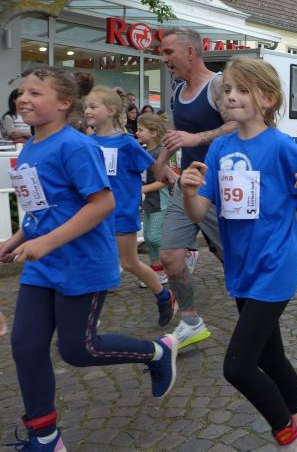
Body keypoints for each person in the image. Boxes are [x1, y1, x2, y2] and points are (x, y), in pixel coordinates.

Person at [5, 67, 177, 451]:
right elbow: (39, 208)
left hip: (81, 264)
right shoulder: (31, 147)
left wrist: (46, 242)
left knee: (79, 350)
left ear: (64, 103)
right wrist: (15, 239)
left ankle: (157, 351)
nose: (23, 98)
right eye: (22, 92)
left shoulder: (75, 146)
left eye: (35, 92)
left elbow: (103, 204)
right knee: (26, 345)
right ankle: (45, 437)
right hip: (42, 267)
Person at [180, 57, 297, 451]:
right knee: (270, 356)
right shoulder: (219, 148)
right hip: (241, 266)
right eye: (228, 89)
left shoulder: (281, 146)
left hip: (275, 265)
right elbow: (199, 212)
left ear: (268, 98)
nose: (231, 96)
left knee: (238, 366)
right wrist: (188, 191)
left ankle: (288, 434)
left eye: (242, 90)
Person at [153, 27, 235, 349]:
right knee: (170, 255)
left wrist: (197, 138)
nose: (163, 59)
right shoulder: (177, 90)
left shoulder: (217, 86)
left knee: (234, 257)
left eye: (168, 52)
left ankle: (257, 309)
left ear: (190, 52)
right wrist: (162, 160)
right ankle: (190, 320)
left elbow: (235, 124)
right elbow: (176, 132)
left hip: (219, 187)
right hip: (187, 184)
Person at [85, 86, 175, 327]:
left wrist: (169, 174)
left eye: (93, 106)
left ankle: (164, 296)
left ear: (111, 110)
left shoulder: (127, 144)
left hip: (121, 212)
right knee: (96, 262)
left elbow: (155, 166)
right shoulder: (86, 143)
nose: (87, 111)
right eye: (86, 107)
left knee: (129, 263)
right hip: (94, 214)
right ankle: (88, 317)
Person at [137, 113, 171, 285]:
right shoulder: (143, 151)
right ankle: (158, 272)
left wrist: (142, 189)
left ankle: (181, 255)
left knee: (155, 237)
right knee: (149, 239)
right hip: (148, 201)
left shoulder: (159, 153)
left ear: (153, 132)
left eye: (141, 130)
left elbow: (165, 181)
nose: (137, 133)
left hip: (160, 202)